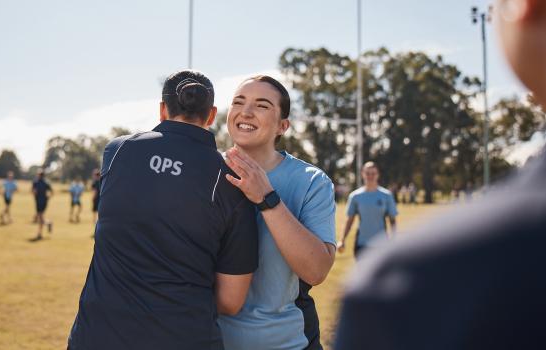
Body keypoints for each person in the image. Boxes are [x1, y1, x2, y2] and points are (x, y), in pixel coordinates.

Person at [334, 0, 546, 348]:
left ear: (526, 7)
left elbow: (393, 221)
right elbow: (351, 220)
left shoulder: (408, 284)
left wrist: (393, 246)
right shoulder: (362, 205)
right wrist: (346, 239)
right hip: (363, 247)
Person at [68, 70, 259, 350]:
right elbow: (230, 301)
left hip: (96, 335)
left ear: (162, 109)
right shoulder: (231, 178)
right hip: (183, 337)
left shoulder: (118, 151)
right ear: (211, 115)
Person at [218, 75, 337, 350]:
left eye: (261, 105)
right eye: (239, 102)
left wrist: (267, 199)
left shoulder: (311, 181)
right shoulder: (205, 171)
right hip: (212, 341)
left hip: (287, 343)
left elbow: (317, 270)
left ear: (282, 126)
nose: (245, 112)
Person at [337, 162, 398, 258]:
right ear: (363, 174)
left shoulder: (386, 195)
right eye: (367, 173)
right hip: (361, 245)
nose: (370, 176)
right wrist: (342, 240)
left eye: (373, 173)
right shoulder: (355, 196)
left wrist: (394, 239)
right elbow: (350, 221)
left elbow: (392, 221)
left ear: (378, 174)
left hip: (381, 244)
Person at [31, 169, 53, 241]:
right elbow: (33, 191)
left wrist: (47, 198)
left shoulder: (44, 182)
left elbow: (51, 191)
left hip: (42, 202)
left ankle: (39, 233)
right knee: (40, 217)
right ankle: (48, 223)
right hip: (39, 202)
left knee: (40, 217)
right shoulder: (36, 182)